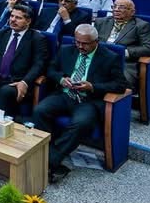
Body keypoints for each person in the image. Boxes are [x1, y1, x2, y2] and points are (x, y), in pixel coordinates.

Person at [32, 24, 127, 183]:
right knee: (40, 110)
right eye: (77, 42)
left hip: (88, 100)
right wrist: (61, 79)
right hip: (65, 94)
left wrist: (93, 87)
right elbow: (51, 70)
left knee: (81, 123)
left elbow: (120, 85)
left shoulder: (110, 57)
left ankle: (50, 159)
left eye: (85, 43)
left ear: (96, 41)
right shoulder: (66, 50)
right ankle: (49, 155)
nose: (80, 46)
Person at [94, 0, 150, 87]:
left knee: (118, 83)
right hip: (99, 58)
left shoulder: (141, 26)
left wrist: (124, 52)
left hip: (124, 63)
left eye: (121, 7)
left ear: (132, 12)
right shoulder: (101, 22)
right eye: (114, 6)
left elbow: (149, 49)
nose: (116, 10)